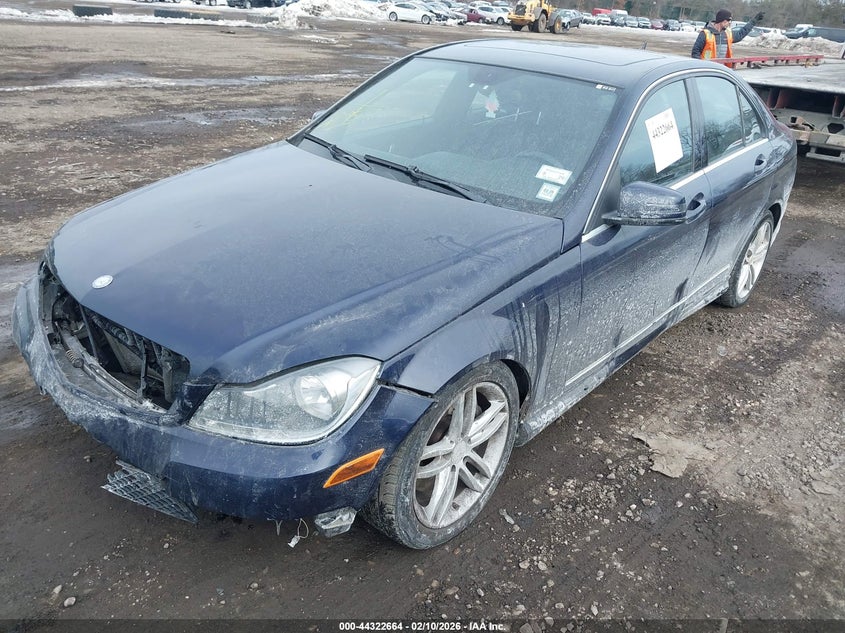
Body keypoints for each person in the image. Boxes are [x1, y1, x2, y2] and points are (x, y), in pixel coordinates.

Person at [691, 9, 765, 59]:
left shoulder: (727, 33)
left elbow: (741, 33)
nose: (730, 22)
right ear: (721, 20)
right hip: (708, 70)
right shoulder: (705, 34)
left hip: (722, 69)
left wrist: (754, 21)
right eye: (728, 20)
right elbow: (695, 53)